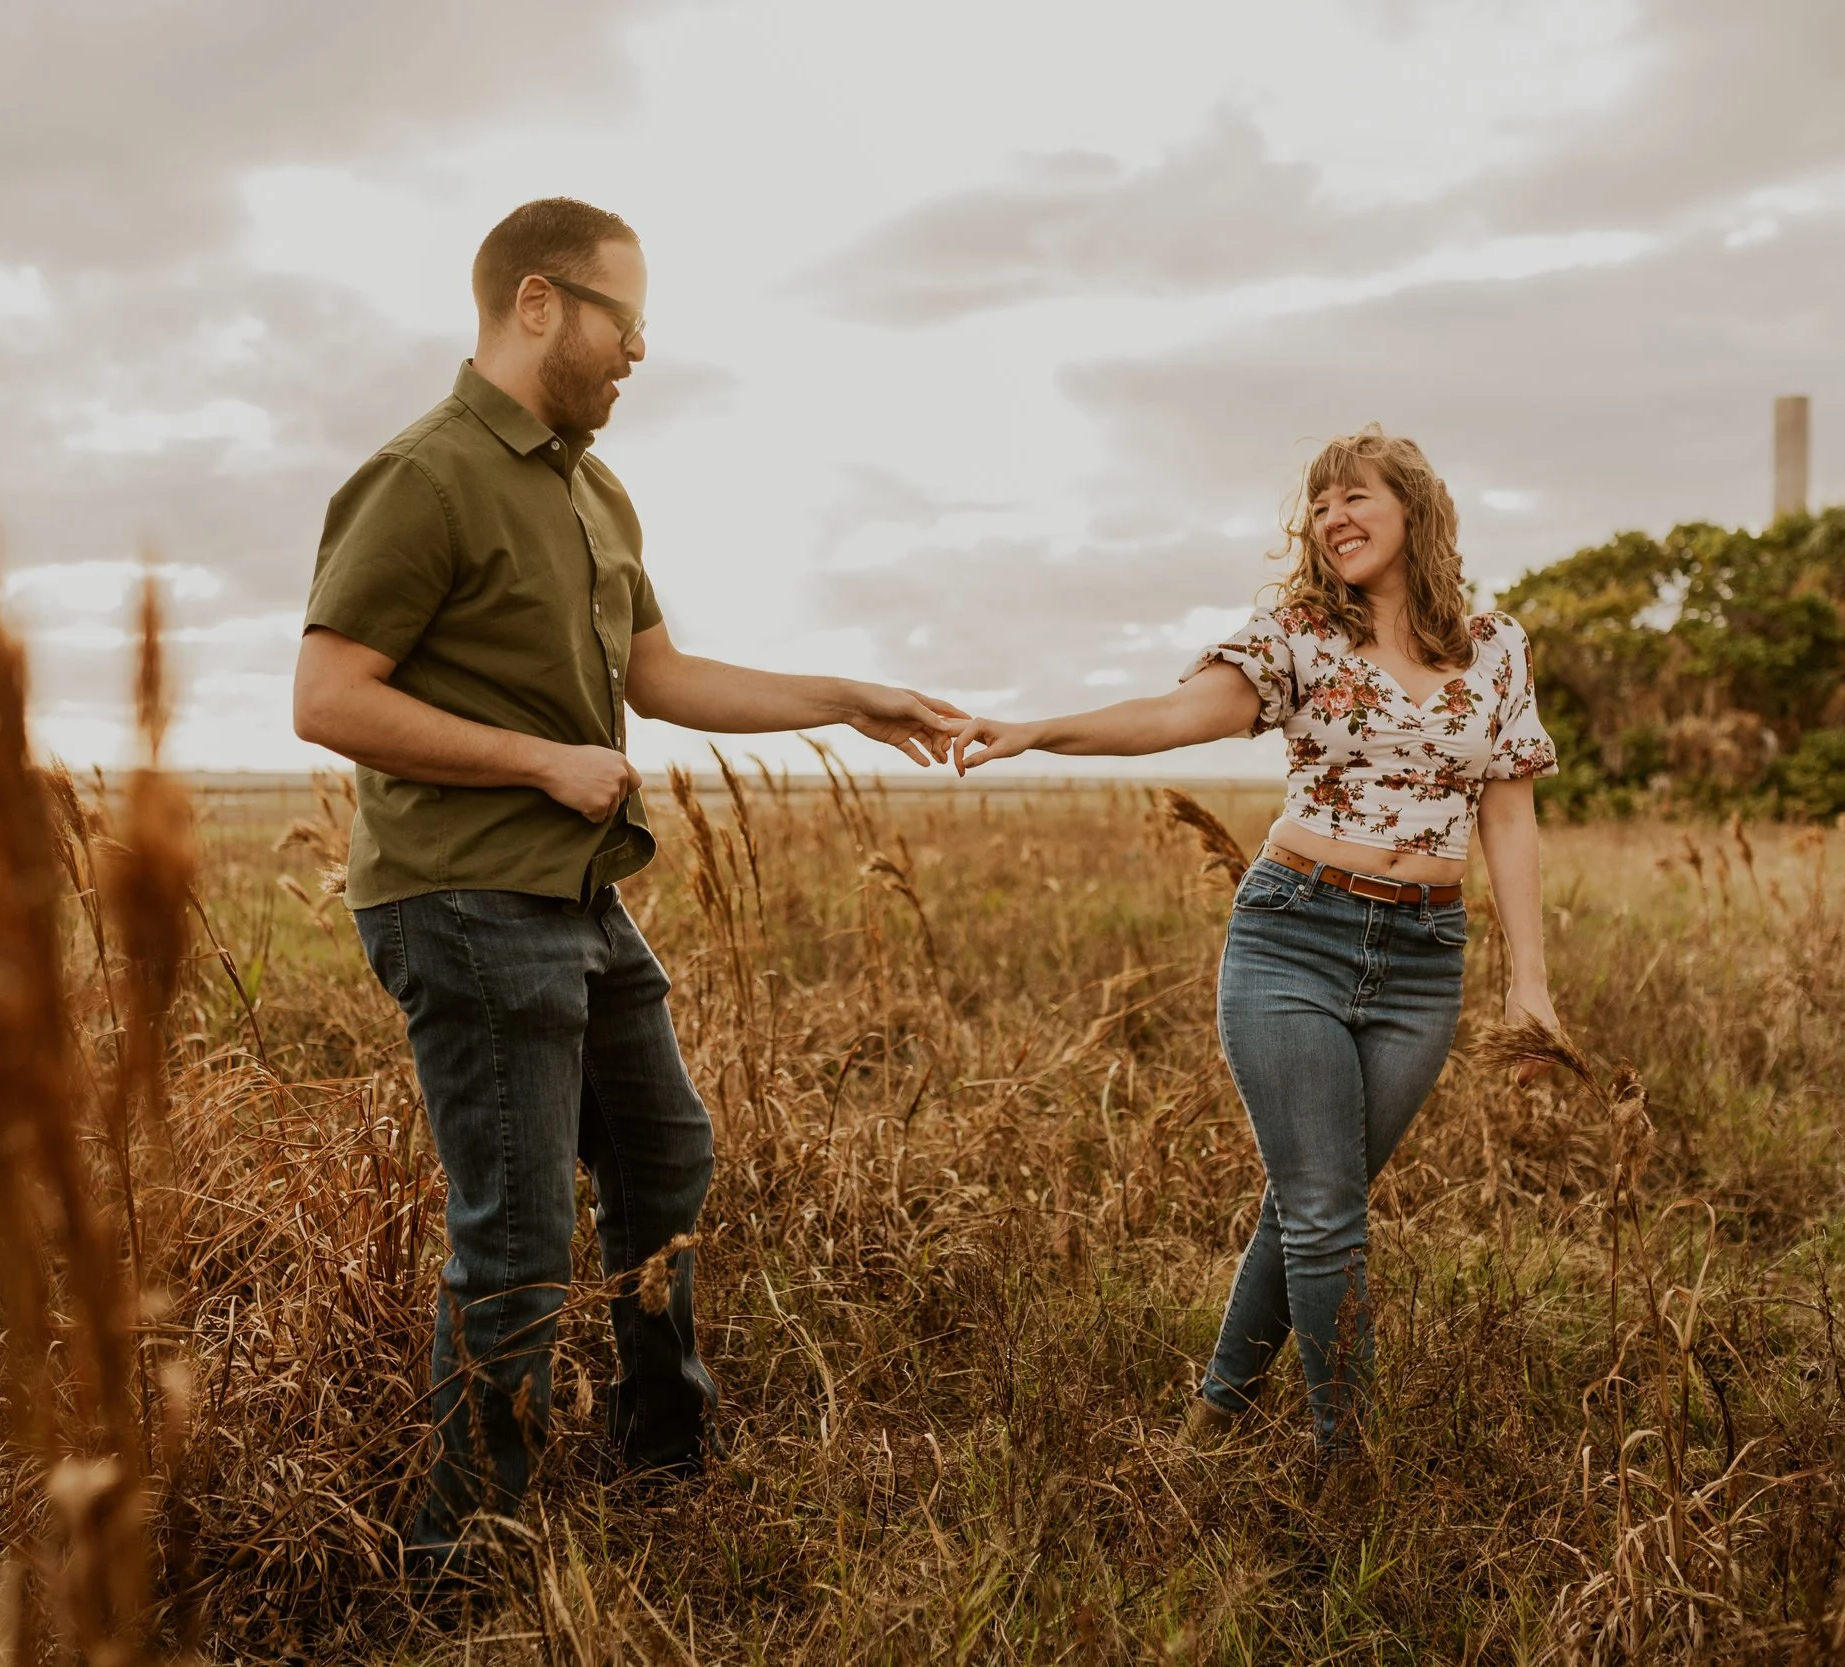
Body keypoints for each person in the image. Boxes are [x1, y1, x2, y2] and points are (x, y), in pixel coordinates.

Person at [292, 198, 964, 1575]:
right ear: (537, 302)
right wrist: (542, 760)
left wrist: (850, 695)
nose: (641, 347)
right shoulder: (422, 476)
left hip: (578, 898)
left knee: (666, 1156)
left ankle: (666, 1454)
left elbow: (661, 678)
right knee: (522, 1237)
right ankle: (462, 1557)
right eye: (624, 316)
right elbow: (327, 696)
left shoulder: (593, 489)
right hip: (465, 898)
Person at [949, 426, 1560, 1461]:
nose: (1334, 517)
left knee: (1314, 1199)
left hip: (1422, 956)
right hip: (1295, 936)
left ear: (1414, 509)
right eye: (1319, 505)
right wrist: (1038, 728)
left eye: (1355, 495)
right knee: (1326, 1211)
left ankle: (1215, 1415)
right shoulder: (1296, 636)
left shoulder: (1494, 649)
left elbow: (1507, 816)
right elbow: (1180, 712)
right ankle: (1346, 1461)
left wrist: (1530, 984)